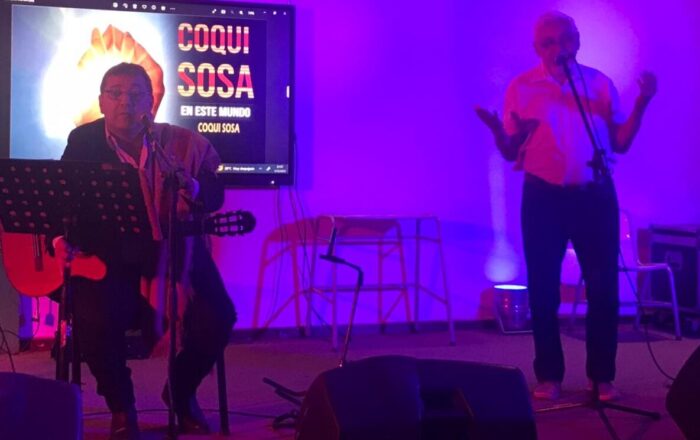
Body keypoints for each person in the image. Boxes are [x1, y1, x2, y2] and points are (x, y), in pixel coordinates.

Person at [476, 11, 656, 401]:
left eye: (565, 39)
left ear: (577, 41)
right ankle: (549, 376)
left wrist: (642, 103)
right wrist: (499, 131)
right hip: (543, 196)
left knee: (604, 288)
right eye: (549, 42)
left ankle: (602, 377)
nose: (559, 48)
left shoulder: (598, 83)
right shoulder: (523, 87)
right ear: (537, 48)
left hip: (594, 194)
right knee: (543, 289)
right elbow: (510, 151)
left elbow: (620, 143)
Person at [53, 62, 236, 439]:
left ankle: (180, 393)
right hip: (109, 252)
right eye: (116, 93)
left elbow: (215, 195)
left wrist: (192, 187)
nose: (126, 102)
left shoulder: (180, 143)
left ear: (150, 102)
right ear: (101, 102)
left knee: (219, 316)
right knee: (93, 320)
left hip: (176, 245)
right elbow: (63, 198)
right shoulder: (83, 141)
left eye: (136, 94)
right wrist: (60, 237)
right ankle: (121, 406)